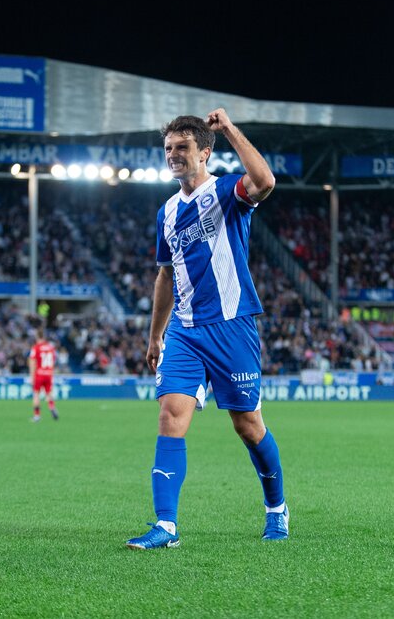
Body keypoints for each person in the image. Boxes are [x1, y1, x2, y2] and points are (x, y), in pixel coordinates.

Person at [126, 109, 288, 550]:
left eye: (182, 148)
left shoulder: (225, 192)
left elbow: (266, 181)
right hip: (185, 329)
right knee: (170, 414)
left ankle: (276, 509)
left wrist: (231, 128)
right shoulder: (167, 212)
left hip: (232, 324)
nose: (173, 156)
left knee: (248, 425)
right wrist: (155, 334)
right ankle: (166, 526)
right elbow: (164, 276)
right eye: (168, 149)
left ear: (204, 152)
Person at [29, 328, 58, 422]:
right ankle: (52, 407)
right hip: (49, 373)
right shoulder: (50, 347)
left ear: (37, 336)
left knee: (36, 394)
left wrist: (32, 376)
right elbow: (53, 361)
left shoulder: (36, 347)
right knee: (49, 393)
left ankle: (37, 416)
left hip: (39, 374)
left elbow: (32, 362)